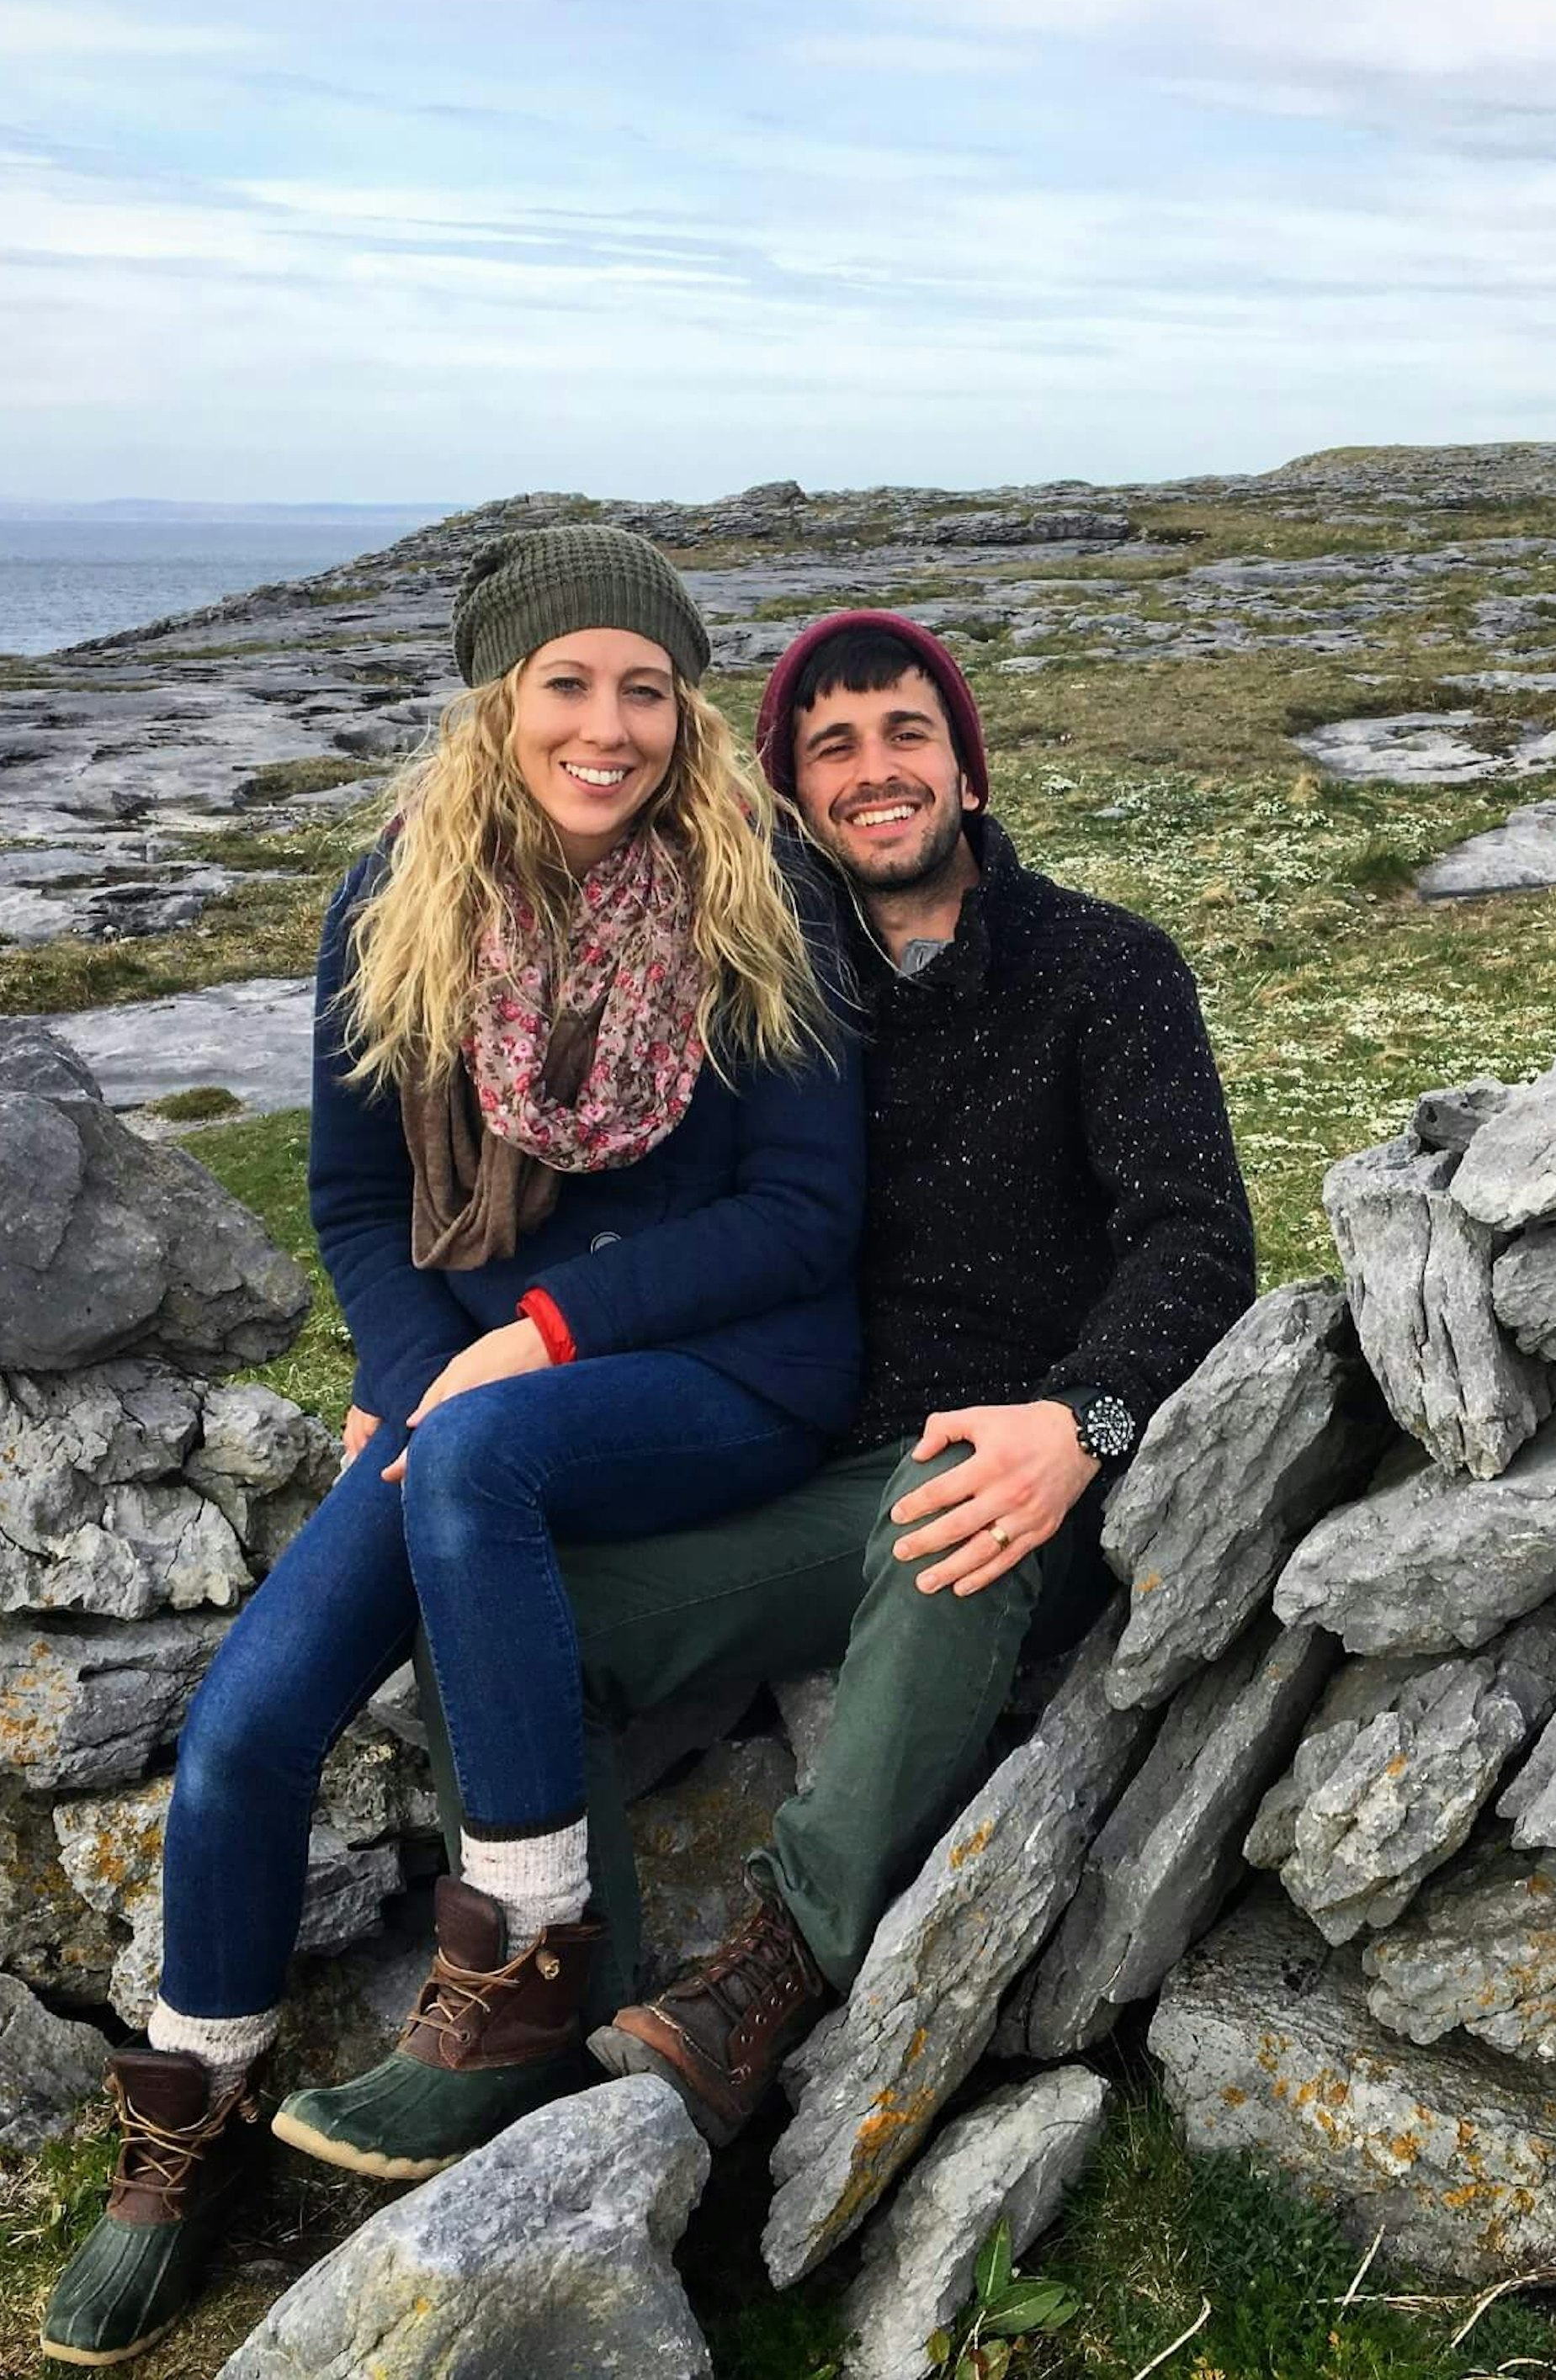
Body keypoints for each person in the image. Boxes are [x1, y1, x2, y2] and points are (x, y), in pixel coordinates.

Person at [40, 527, 862, 2368]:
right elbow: (350, 1196)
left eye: (646, 687)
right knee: (248, 1723)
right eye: (567, 683)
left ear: (688, 710)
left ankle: (530, 1954)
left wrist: (533, 1341)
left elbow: (808, 1214)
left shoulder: (759, 898)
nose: (610, 723)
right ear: (497, 704)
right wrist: (426, 1370)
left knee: (482, 1469)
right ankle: (195, 2123)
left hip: (729, 1369)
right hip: (477, 1387)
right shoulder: (395, 897)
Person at [555, 608, 1258, 2143]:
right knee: (548, 1618)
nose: (877, 771)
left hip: (1028, 1468)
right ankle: (567, 1998)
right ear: (798, 799)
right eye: (834, 746)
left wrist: (1085, 1421)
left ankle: (767, 1973)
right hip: (819, 1470)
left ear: (967, 768)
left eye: (907, 734)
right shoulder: (774, 1000)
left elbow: (1198, 1246)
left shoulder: (1109, 968)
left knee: (953, 1507)